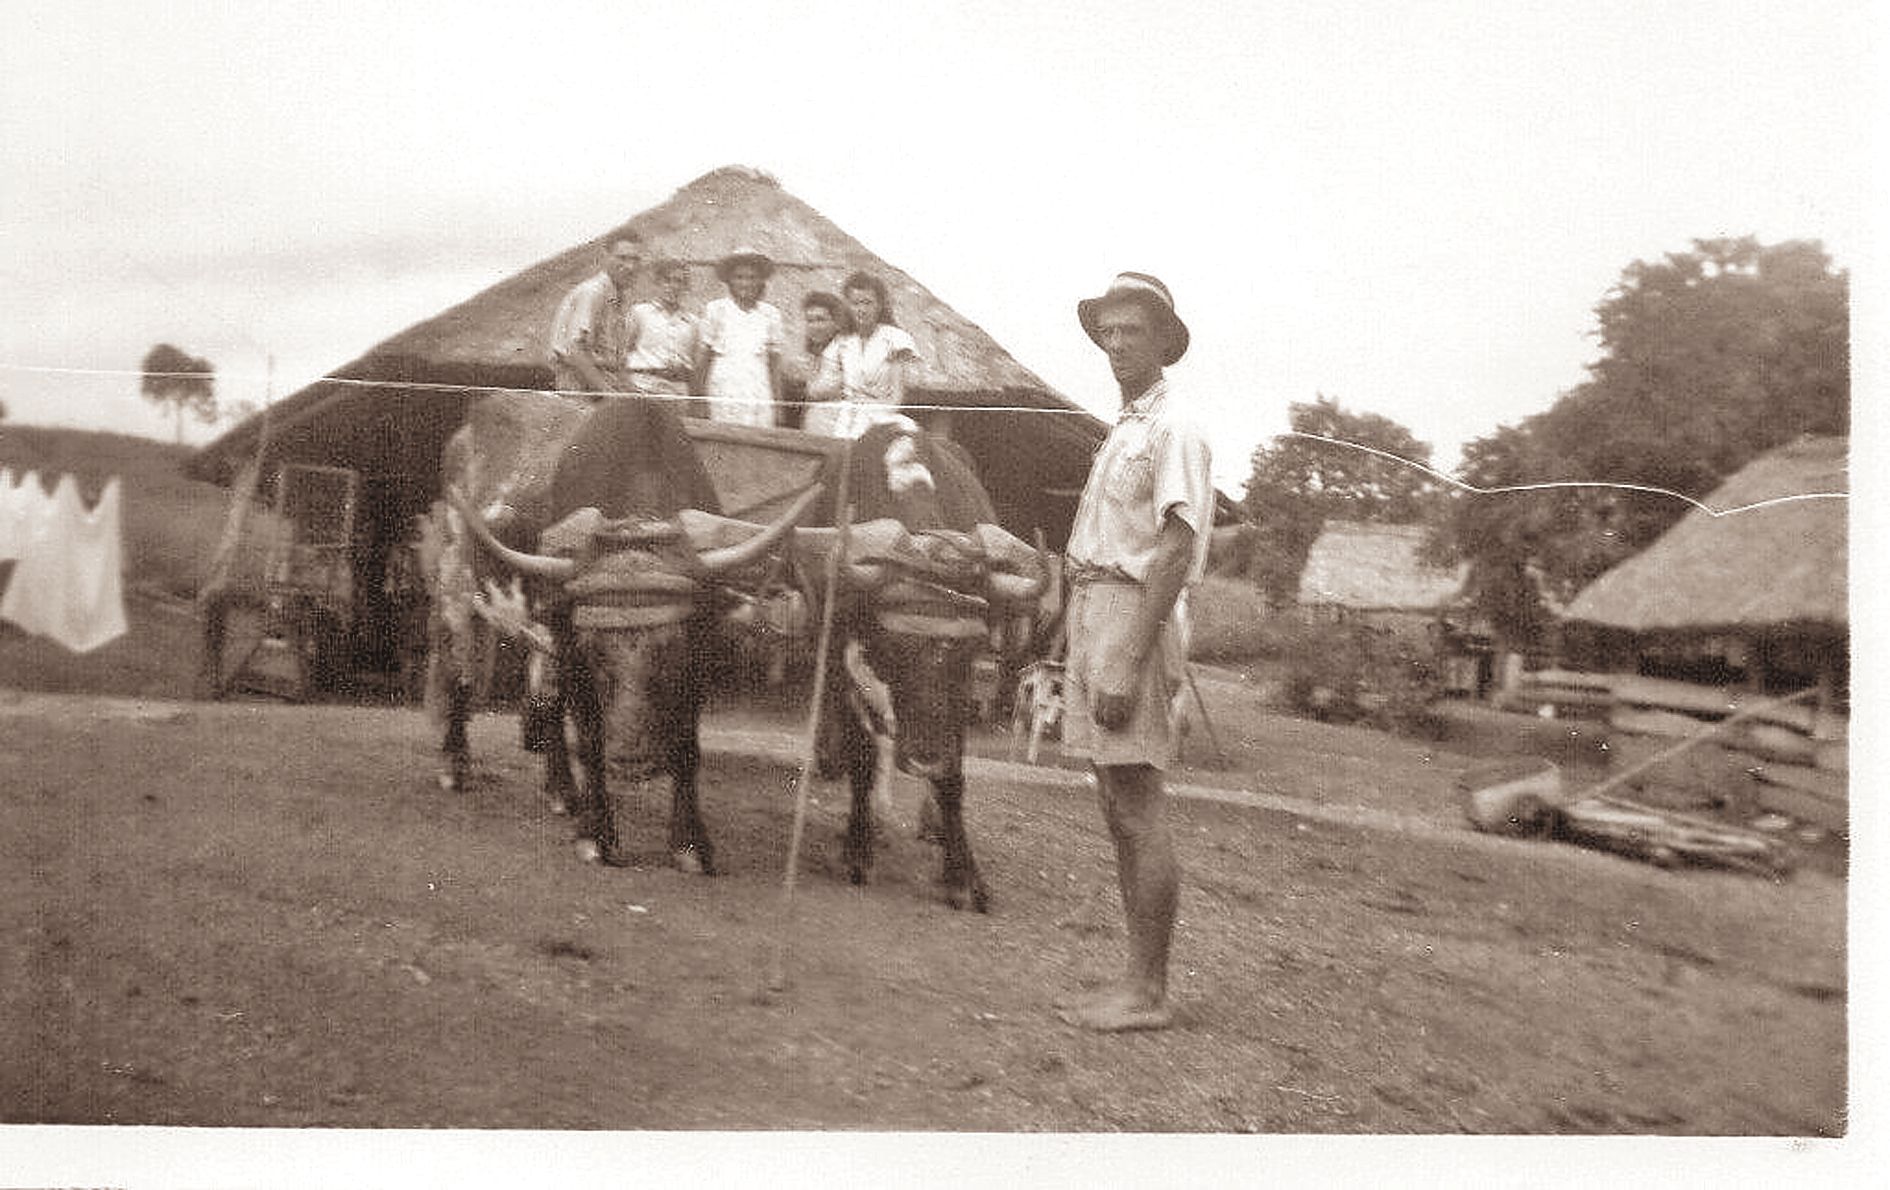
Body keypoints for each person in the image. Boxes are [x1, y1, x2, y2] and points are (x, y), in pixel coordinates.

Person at [1057, 272, 1212, 1033]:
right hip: (1095, 606)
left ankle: (1149, 992)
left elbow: (1177, 550)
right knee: (1115, 804)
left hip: (1131, 613)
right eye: (1108, 332)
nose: (1117, 344)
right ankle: (1133, 980)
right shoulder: (1125, 426)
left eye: (1131, 332)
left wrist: (1125, 657)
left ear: (1162, 341)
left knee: (1139, 805)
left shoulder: (1174, 426)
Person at [806, 271, 920, 439]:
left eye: (867, 303)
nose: (861, 310)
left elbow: (896, 397)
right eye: (855, 303)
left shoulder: (896, 339)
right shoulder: (842, 342)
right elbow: (819, 388)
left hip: (882, 415)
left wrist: (869, 418)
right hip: (846, 414)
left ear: (879, 305)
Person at [694, 248, 786, 427]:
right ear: (729, 281)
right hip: (723, 387)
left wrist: (779, 405)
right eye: (739, 277)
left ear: (761, 281)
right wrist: (699, 401)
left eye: (752, 278)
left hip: (757, 388)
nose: (746, 283)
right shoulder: (716, 310)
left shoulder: (770, 314)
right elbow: (703, 360)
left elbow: (774, 364)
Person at [547, 236, 642, 395]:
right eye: (622, 258)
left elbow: (614, 358)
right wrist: (608, 394)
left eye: (635, 259)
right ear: (606, 256)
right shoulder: (594, 292)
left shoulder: (618, 298)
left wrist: (630, 389)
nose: (630, 266)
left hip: (604, 380)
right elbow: (575, 351)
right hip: (579, 383)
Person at [624, 257, 702, 415]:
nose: (673, 287)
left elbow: (695, 363)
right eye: (667, 281)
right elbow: (622, 351)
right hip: (645, 386)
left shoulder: (693, 322)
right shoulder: (640, 313)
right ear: (657, 283)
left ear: (685, 287)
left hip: (678, 392)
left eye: (679, 282)